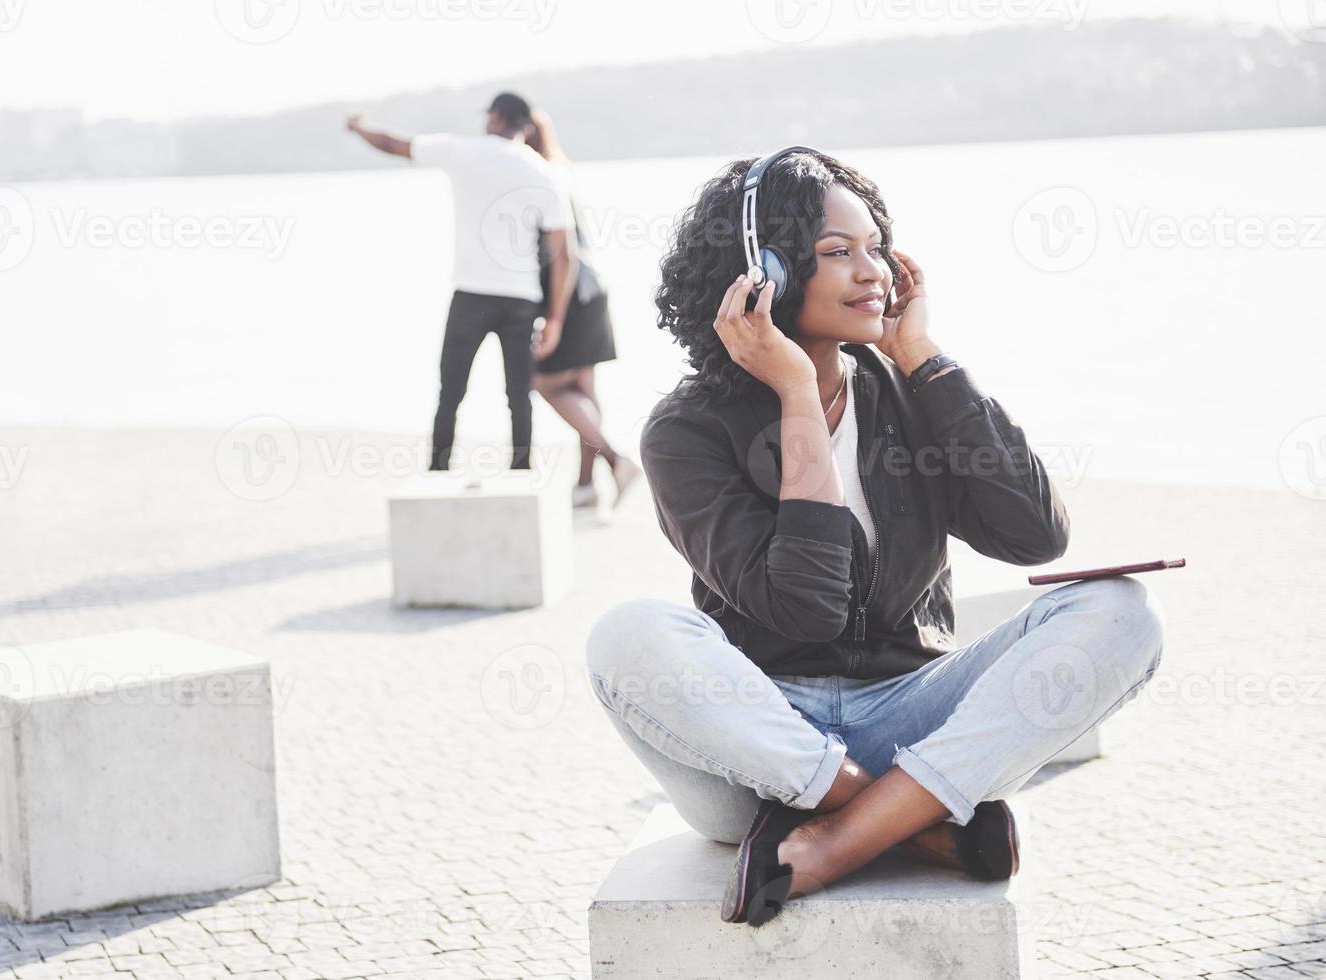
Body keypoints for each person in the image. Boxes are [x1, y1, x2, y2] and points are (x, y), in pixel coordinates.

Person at [583, 148, 1167, 927]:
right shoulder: (685, 430)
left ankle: (836, 841)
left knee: (1120, 611)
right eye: (836, 253)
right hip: (758, 746)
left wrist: (924, 361)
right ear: (766, 273)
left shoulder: (907, 390)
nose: (874, 273)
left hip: (907, 712)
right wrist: (795, 391)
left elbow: (1034, 536)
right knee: (628, 634)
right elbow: (806, 613)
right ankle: (909, 821)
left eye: (875, 248)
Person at [345, 92, 576, 472]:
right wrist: (556, 319)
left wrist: (357, 127)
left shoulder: (462, 152)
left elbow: (391, 143)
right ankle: (520, 473)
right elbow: (564, 254)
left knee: (450, 392)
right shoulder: (545, 172)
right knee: (518, 395)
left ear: (498, 118)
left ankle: (438, 470)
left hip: (471, 295)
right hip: (521, 298)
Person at [522, 107, 642, 510]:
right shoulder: (560, 172)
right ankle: (586, 486)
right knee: (583, 392)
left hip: (568, 293)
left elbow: (559, 254)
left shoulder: (534, 179)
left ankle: (614, 460)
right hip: (591, 290)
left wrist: (551, 314)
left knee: (546, 383)